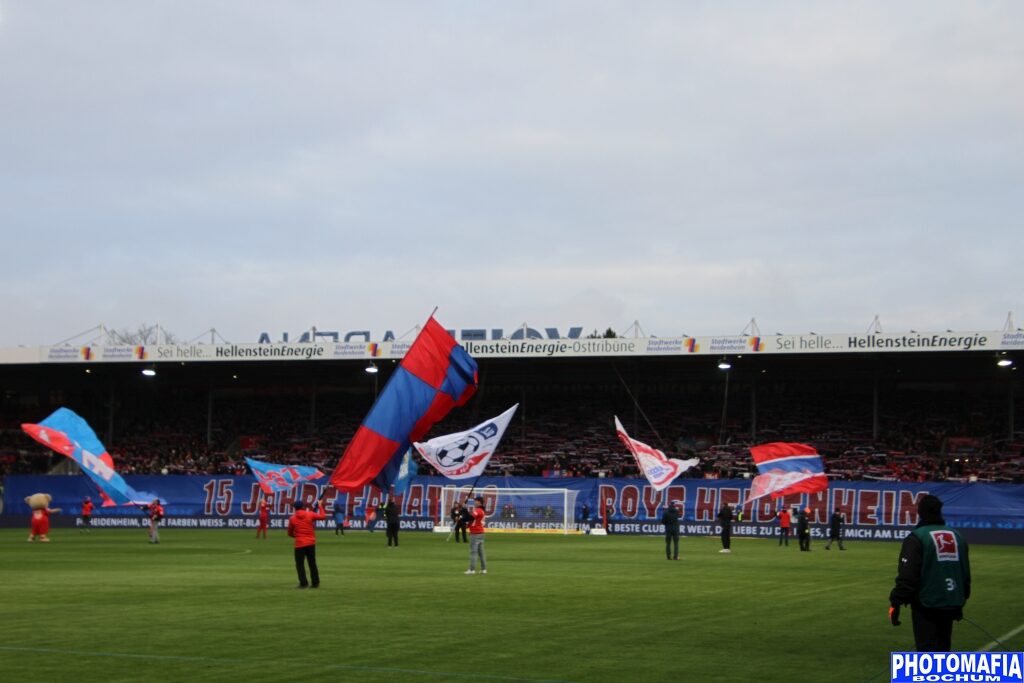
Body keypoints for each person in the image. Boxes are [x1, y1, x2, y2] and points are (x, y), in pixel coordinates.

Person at [889, 494, 971, 651]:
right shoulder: (957, 536)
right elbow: (965, 574)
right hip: (951, 602)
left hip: (926, 604)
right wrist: (961, 599)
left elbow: (908, 576)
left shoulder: (917, 537)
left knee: (926, 652)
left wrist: (896, 602)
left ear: (920, 512)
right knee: (943, 648)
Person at [287, 500, 327, 589]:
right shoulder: (310, 514)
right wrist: (320, 506)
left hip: (299, 544)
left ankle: (303, 583)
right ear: (303, 506)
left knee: (300, 564)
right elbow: (323, 516)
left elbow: (289, 533)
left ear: (295, 508)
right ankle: (315, 583)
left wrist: (297, 536)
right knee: (312, 563)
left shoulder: (292, 518)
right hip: (310, 542)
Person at [465, 495, 487, 575]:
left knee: (473, 552)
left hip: (475, 533)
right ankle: (483, 569)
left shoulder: (477, 510)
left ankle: (472, 569)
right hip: (481, 533)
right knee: (481, 552)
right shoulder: (482, 511)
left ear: (479, 502)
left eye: (475, 501)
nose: (474, 502)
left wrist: (464, 510)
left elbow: (470, 518)